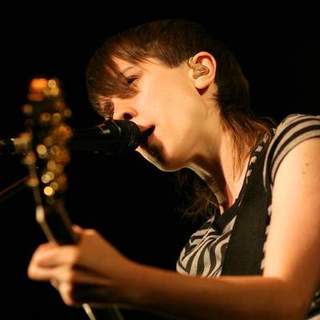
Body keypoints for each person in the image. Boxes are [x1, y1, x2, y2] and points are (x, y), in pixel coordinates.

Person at [27, 19, 320, 319]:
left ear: (201, 70)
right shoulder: (196, 255)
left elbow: (286, 301)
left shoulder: (299, 141)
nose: (120, 117)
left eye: (131, 82)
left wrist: (122, 280)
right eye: (109, 111)